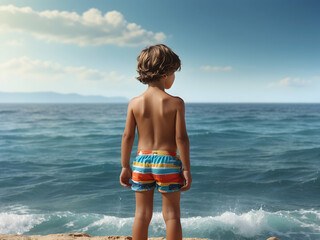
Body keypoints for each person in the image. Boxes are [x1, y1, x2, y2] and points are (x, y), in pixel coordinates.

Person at [119, 43, 192, 240]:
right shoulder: (176, 102)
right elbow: (181, 138)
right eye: (173, 72)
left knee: (141, 215)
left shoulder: (134, 103)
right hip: (167, 162)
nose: (174, 77)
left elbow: (127, 136)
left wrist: (125, 166)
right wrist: (186, 168)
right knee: (172, 216)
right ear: (165, 74)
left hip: (141, 162)